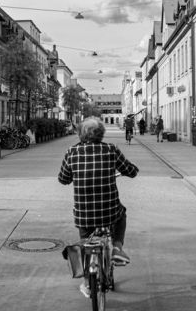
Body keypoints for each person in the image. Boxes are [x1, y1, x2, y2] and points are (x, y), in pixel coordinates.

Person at [58, 117, 139, 297]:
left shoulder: (72, 152)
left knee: (85, 242)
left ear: (81, 134)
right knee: (121, 213)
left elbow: (63, 179)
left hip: (84, 214)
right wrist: (130, 170)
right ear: (101, 134)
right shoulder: (110, 149)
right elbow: (130, 171)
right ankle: (117, 247)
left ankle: (87, 283)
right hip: (109, 211)